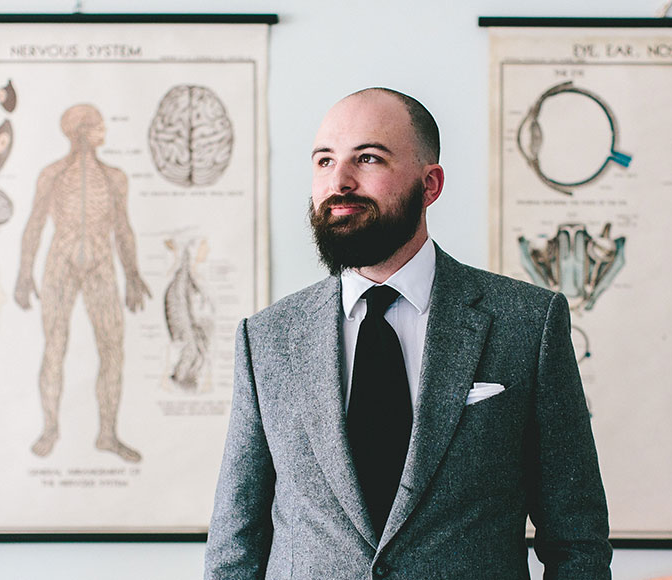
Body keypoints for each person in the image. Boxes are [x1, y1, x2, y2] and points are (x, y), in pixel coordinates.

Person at [204, 88, 611, 579]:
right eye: (324, 161)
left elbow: (577, 541)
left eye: (368, 158)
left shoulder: (527, 324)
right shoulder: (267, 338)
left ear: (430, 184)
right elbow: (235, 547)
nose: (340, 181)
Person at [15, 104, 150, 463]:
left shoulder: (114, 177)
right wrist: (24, 272)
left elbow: (123, 227)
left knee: (112, 349)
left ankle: (107, 434)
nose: (104, 131)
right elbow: (34, 224)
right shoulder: (53, 175)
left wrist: (133, 274)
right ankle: (50, 428)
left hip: (101, 264)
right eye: (98, 127)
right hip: (60, 262)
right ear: (80, 132)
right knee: (54, 346)